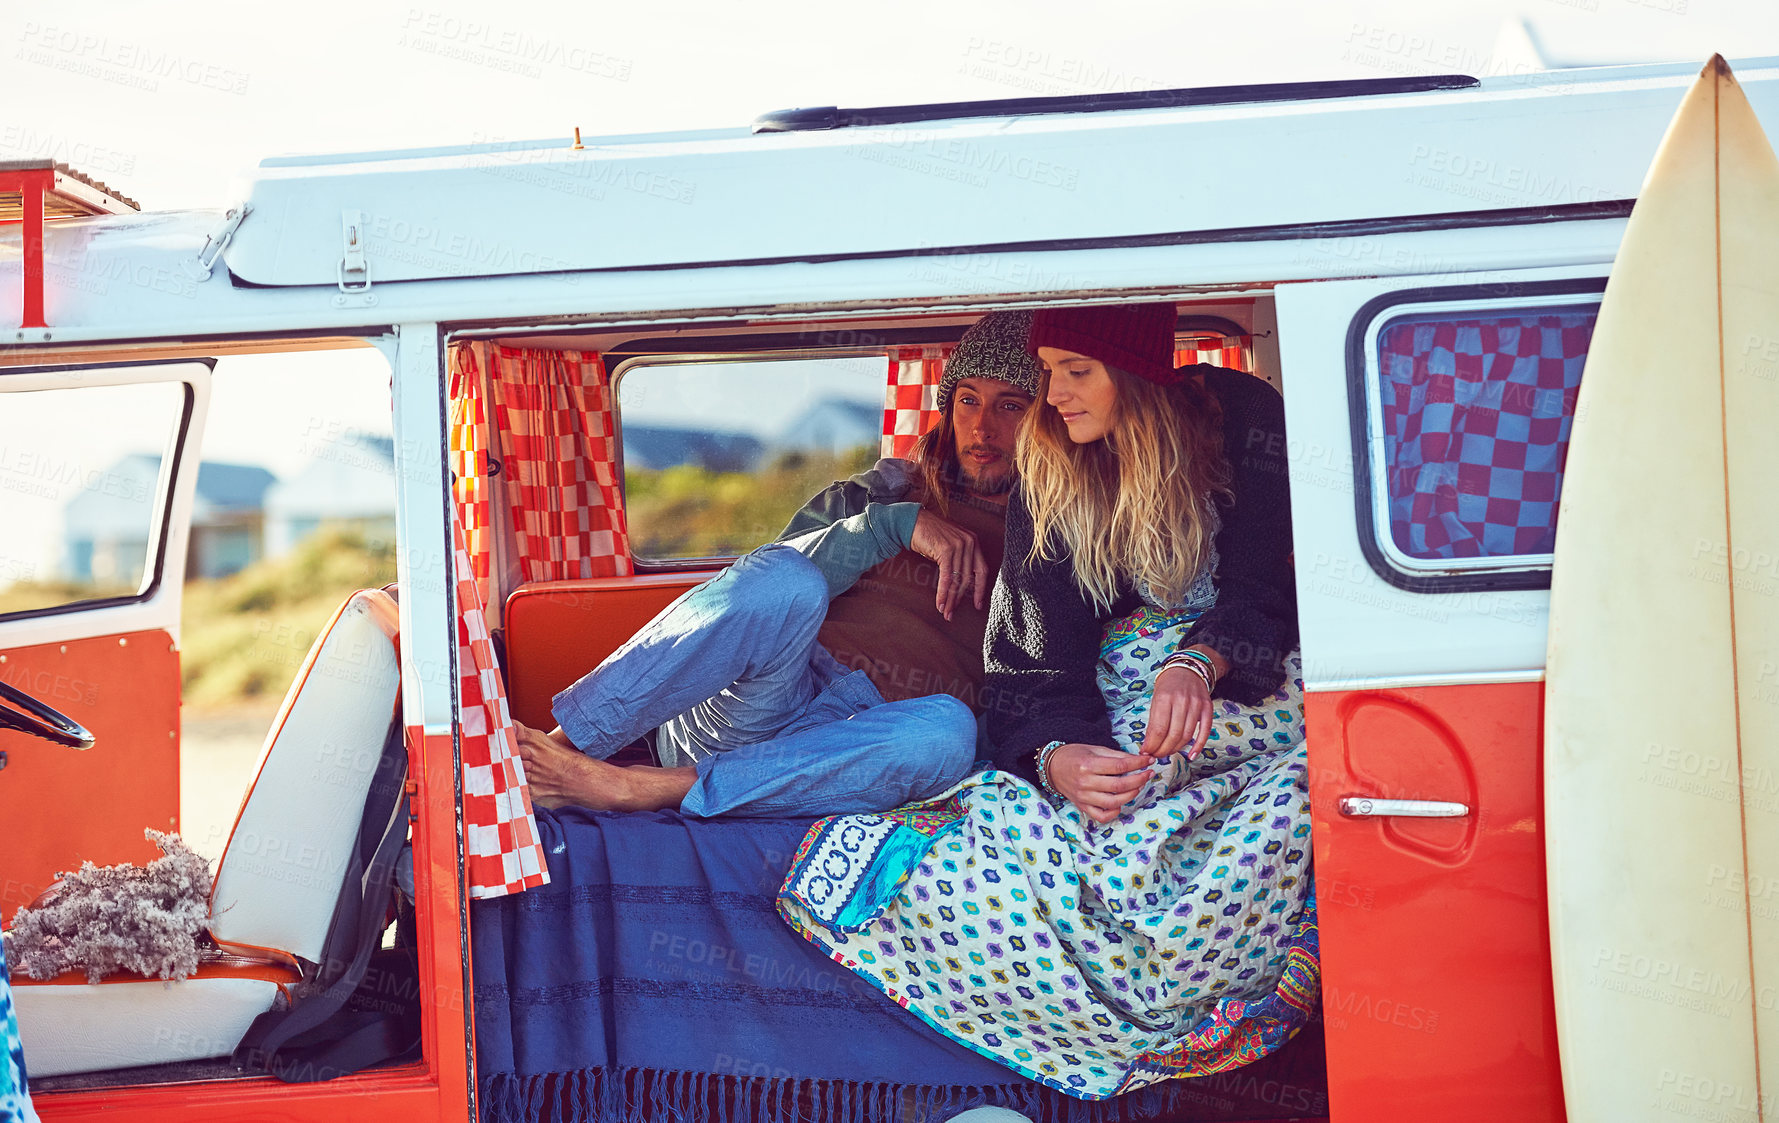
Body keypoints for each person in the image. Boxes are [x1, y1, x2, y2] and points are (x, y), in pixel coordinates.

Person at [779, 303, 1316, 1100]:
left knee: (1235, 791)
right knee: (1085, 790)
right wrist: (1056, 754)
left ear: (1132, 370)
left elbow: (1262, 586)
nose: (1053, 395)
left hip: (1253, 670)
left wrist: (1202, 661)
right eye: (1049, 371)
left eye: (1075, 371)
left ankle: (1159, 991)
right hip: (1122, 671)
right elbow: (1031, 653)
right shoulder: (1053, 457)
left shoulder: (1238, 420)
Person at [513, 311, 1040, 819]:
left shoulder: (1062, 542)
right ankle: (557, 750)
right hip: (759, 698)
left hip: (861, 744)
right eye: (968, 400)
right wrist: (893, 525)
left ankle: (639, 789)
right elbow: (757, 591)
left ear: (1046, 419)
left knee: (949, 732)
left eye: (1010, 406)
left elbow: (1035, 688)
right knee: (789, 580)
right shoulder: (877, 493)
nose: (982, 427)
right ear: (947, 409)